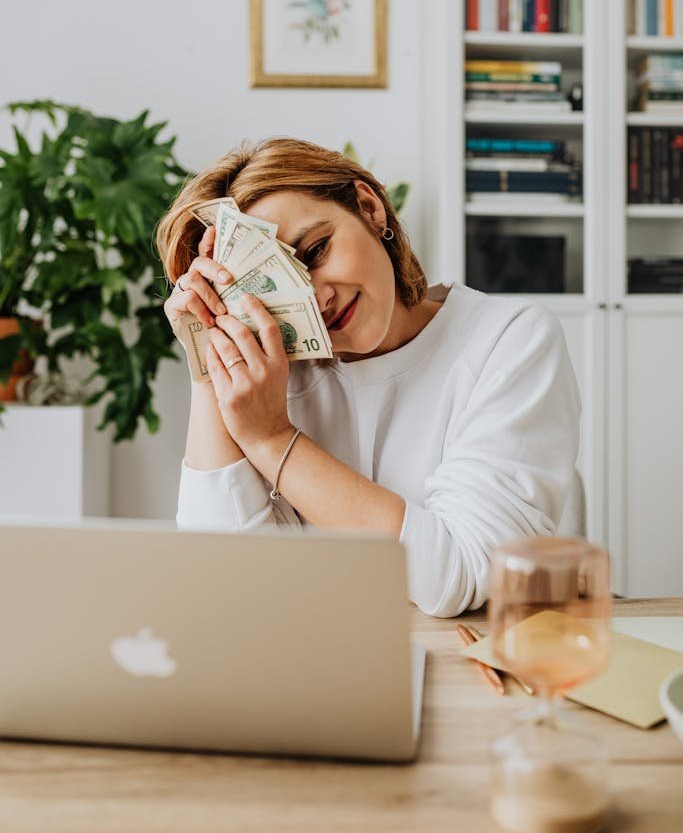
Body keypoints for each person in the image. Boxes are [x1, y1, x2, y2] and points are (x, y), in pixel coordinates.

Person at [157, 137, 580, 617]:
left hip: (466, 665)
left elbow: (457, 573)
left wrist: (272, 439)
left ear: (369, 208)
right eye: (276, 283)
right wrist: (209, 360)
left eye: (315, 251)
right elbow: (225, 586)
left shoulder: (508, 339)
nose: (315, 298)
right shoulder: (266, 381)